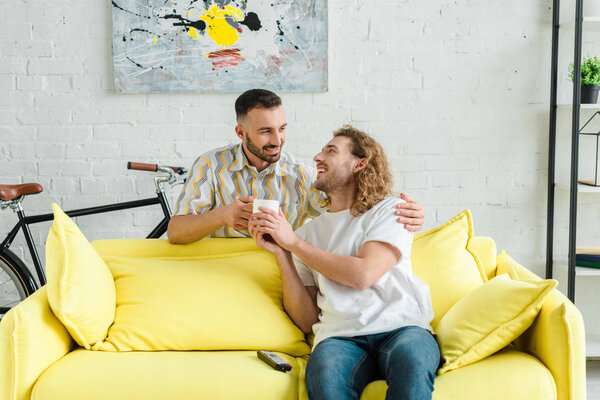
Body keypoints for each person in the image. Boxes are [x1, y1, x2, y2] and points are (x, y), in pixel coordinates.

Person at [248, 125, 439, 400]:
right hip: (339, 338)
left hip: (402, 328)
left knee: (413, 362)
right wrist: (283, 254)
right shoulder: (308, 233)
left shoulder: (390, 211)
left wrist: (294, 245)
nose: (317, 157)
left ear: (359, 163)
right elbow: (306, 320)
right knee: (325, 378)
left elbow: (363, 275)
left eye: (331, 151)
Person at [167, 89, 425, 243]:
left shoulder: (300, 174)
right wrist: (222, 215)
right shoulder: (211, 165)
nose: (277, 141)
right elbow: (175, 232)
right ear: (240, 132)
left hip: (278, 273)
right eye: (266, 131)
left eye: (282, 129)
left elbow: (351, 204)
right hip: (223, 274)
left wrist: (398, 211)